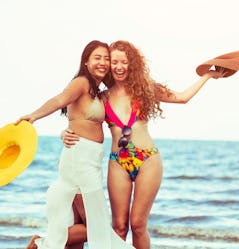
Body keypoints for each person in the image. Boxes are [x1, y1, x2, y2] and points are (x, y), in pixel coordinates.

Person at [62, 40, 226, 249]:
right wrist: (64, 133)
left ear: (132, 64)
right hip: (118, 162)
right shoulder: (102, 98)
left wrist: (208, 76)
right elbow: (83, 120)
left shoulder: (145, 89)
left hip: (147, 159)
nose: (119, 67)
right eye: (114, 62)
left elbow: (182, 97)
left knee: (138, 225)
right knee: (119, 226)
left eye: (124, 62)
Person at [17, 40, 134, 249]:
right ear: (86, 62)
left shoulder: (98, 92)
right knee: (95, 226)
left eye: (106, 58)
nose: (103, 62)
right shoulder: (81, 82)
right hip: (79, 161)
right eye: (97, 58)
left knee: (80, 223)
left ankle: (46, 242)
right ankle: (41, 243)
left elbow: (79, 119)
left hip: (90, 160)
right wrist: (34, 116)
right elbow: (60, 100)